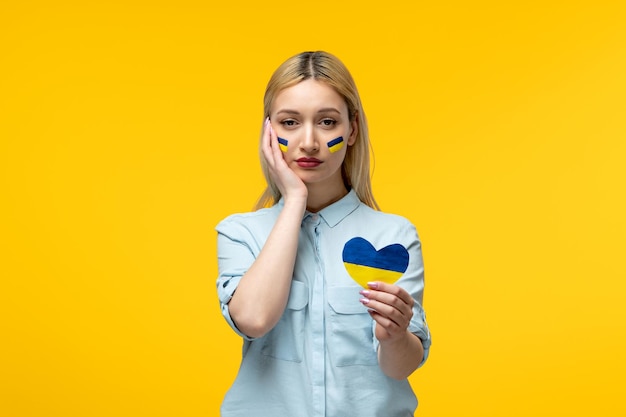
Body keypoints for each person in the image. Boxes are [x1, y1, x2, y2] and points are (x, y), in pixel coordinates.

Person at [216, 51, 431, 417]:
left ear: (352, 130)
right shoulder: (241, 232)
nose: (310, 142)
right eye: (290, 122)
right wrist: (295, 199)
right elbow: (253, 320)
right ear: (269, 131)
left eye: (328, 122)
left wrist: (394, 336)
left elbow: (401, 367)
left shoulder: (393, 235)